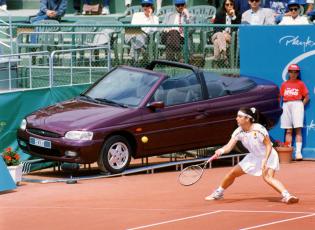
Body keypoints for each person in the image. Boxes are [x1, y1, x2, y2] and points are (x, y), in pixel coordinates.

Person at [205, 107, 299, 204]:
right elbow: (229, 147)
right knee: (232, 173)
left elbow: (268, 145)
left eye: (239, 116)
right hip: (253, 157)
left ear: (247, 119)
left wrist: (265, 160)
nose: (236, 118)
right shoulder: (238, 131)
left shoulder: (259, 129)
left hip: (268, 155)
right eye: (237, 116)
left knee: (267, 177)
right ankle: (218, 193)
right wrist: (220, 150)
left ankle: (287, 196)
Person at [280, 64, 310, 160]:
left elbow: (307, 97)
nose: (293, 74)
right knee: (288, 130)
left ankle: (298, 153)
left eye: (296, 72)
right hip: (286, 104)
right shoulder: (284, 84)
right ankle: (288, 152)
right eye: (291, 71)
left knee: (298, 129)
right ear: (288, 72)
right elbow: (280, 97)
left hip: (297, 104)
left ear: (298, 73)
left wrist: (301, 105)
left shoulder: (300, 84)